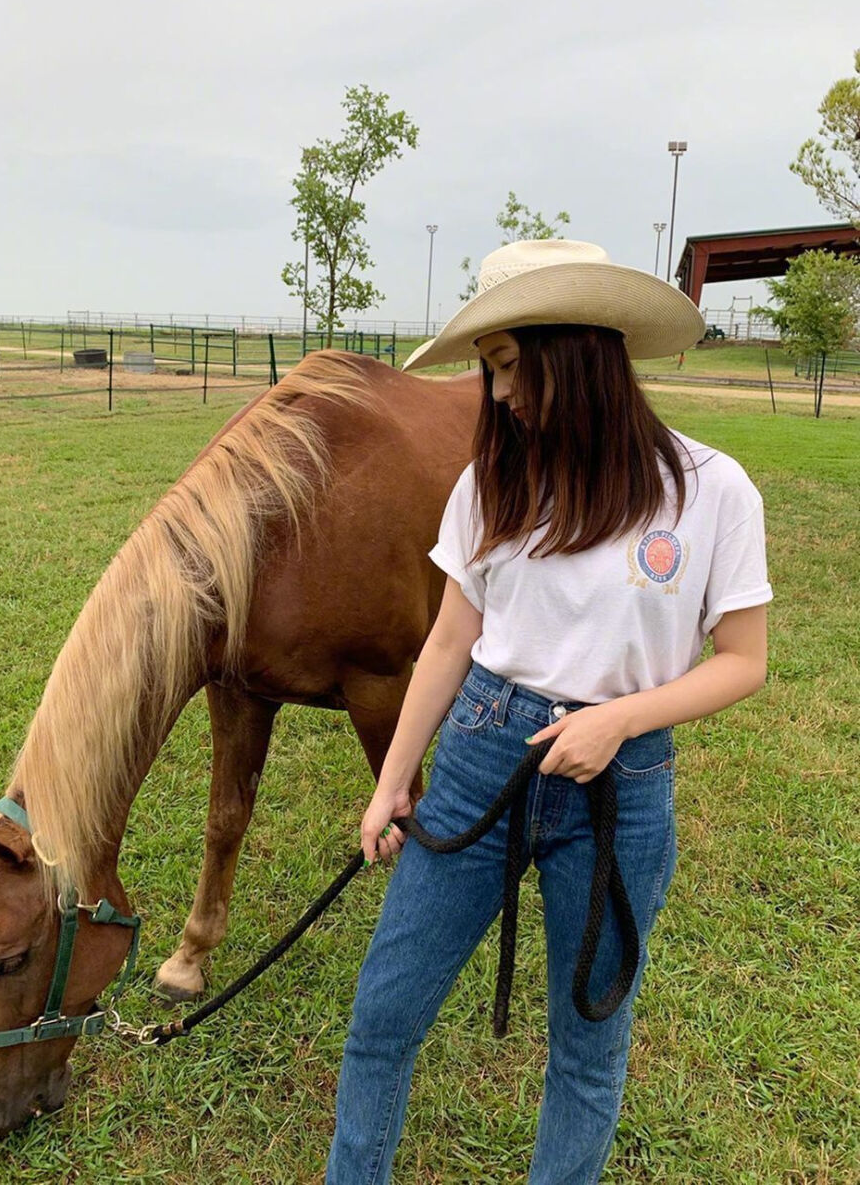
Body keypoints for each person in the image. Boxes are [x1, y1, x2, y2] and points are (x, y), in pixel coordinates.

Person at [326, 240, 772, 1184]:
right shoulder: (492, 483)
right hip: (483, 760)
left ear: (575, 350)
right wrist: (394, 781)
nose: (498, 396)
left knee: (590, 1045)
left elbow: (743, 662)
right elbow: (450, 641)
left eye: (506, 367)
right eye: (488, 371)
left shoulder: (710, 491)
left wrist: (621, 718)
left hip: (622, 786)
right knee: (383, 1016)